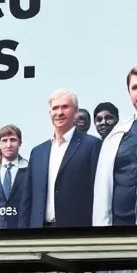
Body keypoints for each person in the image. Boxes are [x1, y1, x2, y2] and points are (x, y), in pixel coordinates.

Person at [94, 64, 137, 226]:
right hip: (123, 230)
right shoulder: (116, 136)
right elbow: (102, 193)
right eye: (135, 87)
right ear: (129, 93)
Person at [28, 89, 101, 228]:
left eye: (65, 107)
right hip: (39, 231)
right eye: (55, 108)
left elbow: (98, 193)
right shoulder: (37, 152)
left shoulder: (92, 145)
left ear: (75, 112)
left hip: (74, 232)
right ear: (50, 113)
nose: (59, 112)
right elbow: (28, 199)